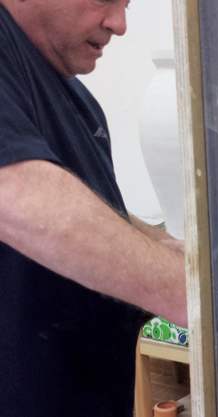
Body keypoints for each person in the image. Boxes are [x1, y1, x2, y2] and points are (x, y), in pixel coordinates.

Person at [0, 1, 187, 415]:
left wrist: (164, 246)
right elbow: (18, 197)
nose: (119, 24)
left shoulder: (74, 94)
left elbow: (97, 208)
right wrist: (198, 296)